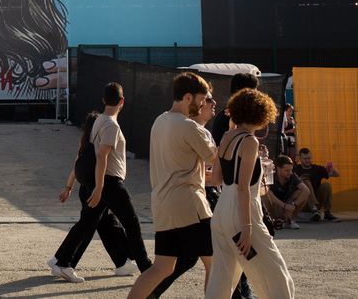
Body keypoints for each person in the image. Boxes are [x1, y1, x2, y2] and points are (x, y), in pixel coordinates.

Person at [128, 71, 217, 299]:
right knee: (216, 263)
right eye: (202, 99)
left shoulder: (160, 121)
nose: (204, 104)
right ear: (188, 97)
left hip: (162, 204)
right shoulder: (189, 127)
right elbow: (215, 159)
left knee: (162, 267)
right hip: (189, 204)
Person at [49, 83, 151, 283]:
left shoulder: (99, 121)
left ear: (104, 100)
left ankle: (65, 261)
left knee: (92, 223)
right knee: (131, 223)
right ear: (122, 101)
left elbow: (90, 155)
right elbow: (102, 156)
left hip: (103, 181)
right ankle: (145, 265)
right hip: (110, 182)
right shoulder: (111, 125)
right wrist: (100, 187)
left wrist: (88, 186)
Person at [205, 89, 294, 299]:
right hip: (242, 214)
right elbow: (243, 188)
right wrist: (247, 228)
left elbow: (216, 179)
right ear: (260, 114)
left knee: (222, 278)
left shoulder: (227, 137)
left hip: (221, 213)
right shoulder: (250, 142)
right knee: (277, 276)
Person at [49, 113, 133, 282]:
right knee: (87, 226)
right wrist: (100, 188)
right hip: (98, 189)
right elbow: (102, 163)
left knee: (107, 223)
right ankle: (62, 261)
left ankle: (123, 261)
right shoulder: (100, 144)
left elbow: (76, 167)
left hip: (87, 189)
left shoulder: (86, 143)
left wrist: (68, 188)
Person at [262, 156, 310, 229]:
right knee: (264, 194)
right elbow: (268, 192)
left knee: (301, 192)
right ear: (278, 169)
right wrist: (284, 206)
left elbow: (306, 190)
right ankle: (272, 220)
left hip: (288, 205)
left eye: (291, 170)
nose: (290, 173)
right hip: (275, 205)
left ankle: (290, 220)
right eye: (287, 170)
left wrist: (294, 205)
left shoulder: (292, 175)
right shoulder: (271, 175)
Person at [294, 148, 339, 222]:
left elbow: (336, 174)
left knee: (326, 185)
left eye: (309, 158)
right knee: (305, 181)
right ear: (300, 159)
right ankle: (314, 208)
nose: (307, 160)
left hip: (317, 201)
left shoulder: (317, 169)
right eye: (305, 159)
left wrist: (332, 169)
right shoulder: (295, 169)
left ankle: (327, 212)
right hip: (302, 202)